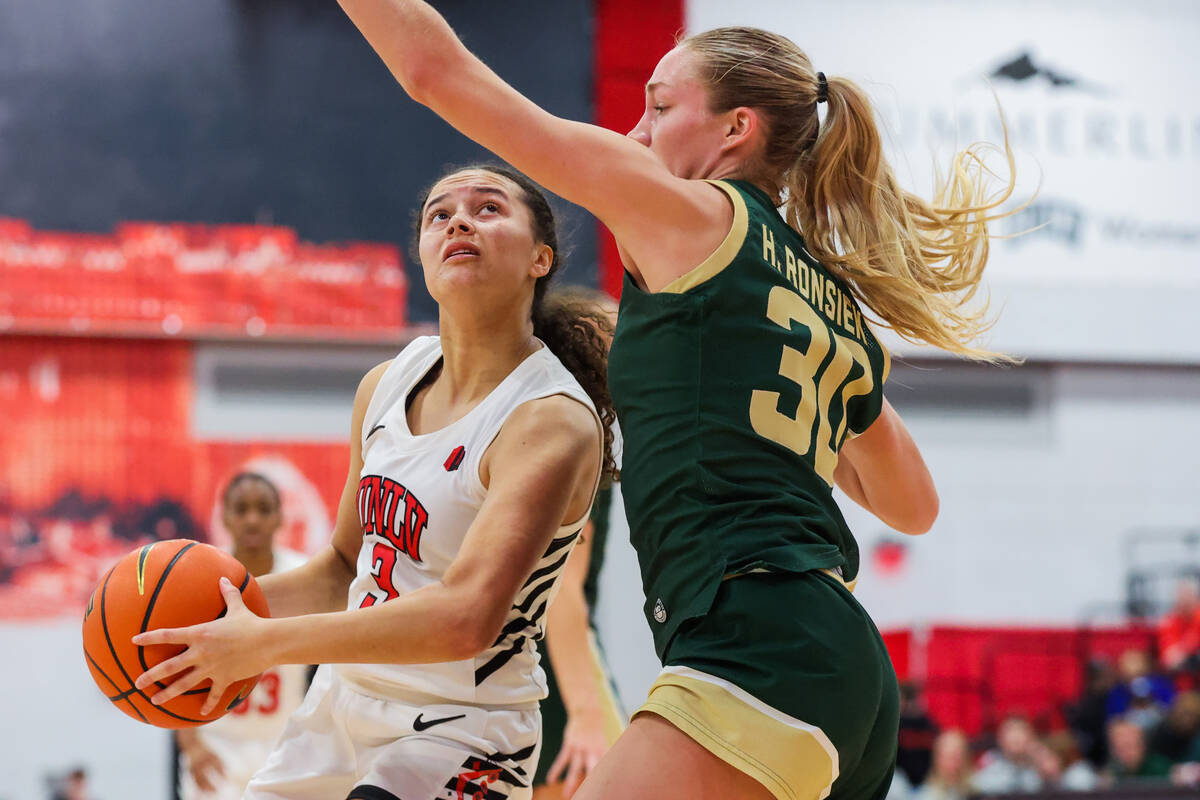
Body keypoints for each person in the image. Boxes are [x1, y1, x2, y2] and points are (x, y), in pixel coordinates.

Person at [334, 3, 1017, 798]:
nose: (636, 134)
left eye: (659, 107)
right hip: (851, 675)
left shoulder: (688, 217)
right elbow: (914, 503)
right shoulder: (828, 302)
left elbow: (437, 74)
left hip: (756, 648)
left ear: (736, 130)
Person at [134, 164, 617, 799]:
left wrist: (260, 644)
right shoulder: (386, 383)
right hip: (342, 709)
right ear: (421, 252)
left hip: (462, 729)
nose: (459, 221)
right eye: (439, 215)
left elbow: (464, 617)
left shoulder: (549, 418)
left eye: (488, 208)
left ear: (540, 258)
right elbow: (341, 567)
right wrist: (192, 621)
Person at [535, 289, 625, 800]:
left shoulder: (528, 423)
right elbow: (561, 591)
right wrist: (587, 716)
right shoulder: (576, 433)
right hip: (551, 665)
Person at [175, 472, 309, 800]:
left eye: (264, 509)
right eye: (242, 509)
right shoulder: (198, 577)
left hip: (285, 744)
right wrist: (192, 746)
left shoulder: (306, 576)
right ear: (224, 516)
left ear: (280, 517)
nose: (253, 519)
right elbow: (173, 670)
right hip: (217, 742)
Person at [970, 715, 1042, 794]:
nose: (1016, 737)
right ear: (1000, 739)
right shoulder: (989, 762)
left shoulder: (1041, 764)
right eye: (1010, 731)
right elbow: (974, 785)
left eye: (1021, 731)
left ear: (1031, 738)